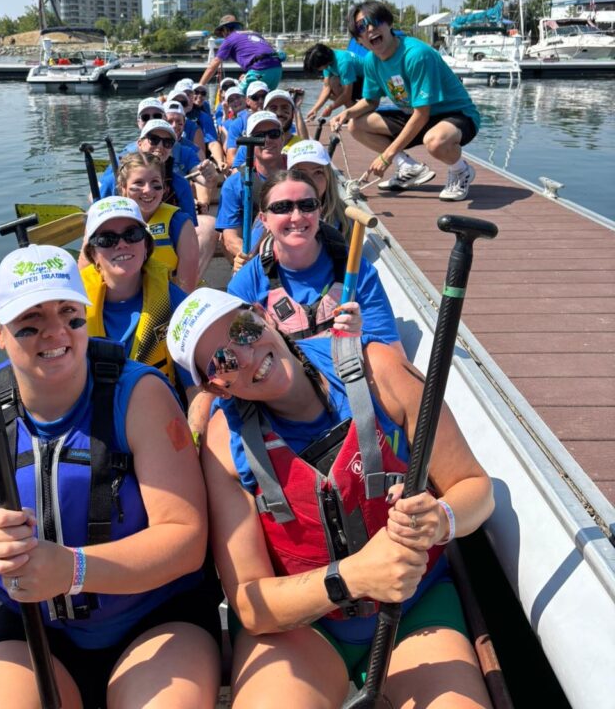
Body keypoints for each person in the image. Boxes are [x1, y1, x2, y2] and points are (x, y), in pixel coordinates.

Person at [0, 245, 221, 709]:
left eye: (70, 315)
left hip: (154, 617)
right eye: (30, 321)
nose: (55, 333)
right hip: (31, 631)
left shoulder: (139, 397)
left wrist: (73, 569)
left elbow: (187, 542)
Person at [167, 290, 494, 709]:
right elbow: (250, 603)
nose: (246, 358)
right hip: (305, 629)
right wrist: (353, 577)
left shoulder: (379, 369)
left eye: (242, 330)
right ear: (218, 388)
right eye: (223, 361)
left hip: (415, 609)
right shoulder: (223, 446)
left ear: (266, 315)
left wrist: (441, 517)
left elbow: (475, 488)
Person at [228, 169, 400, 348]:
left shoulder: (357, 270)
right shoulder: (246, 284)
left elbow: (392, 351)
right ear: (264, 219)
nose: (296, 217)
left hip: (347, 372)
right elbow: (239, 359)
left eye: (307, 205)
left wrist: (361, 335)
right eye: (282, 207)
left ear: (320, 211)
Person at [331, 1, 481, 201]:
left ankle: (461, 170)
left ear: (388, 24)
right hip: (415, 115)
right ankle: (409, 168)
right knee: (356, 125)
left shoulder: (417, 55)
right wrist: (347, 113)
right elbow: (370, 101)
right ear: (360, 41)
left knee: (435, 141)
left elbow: (422, 114)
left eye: (375, 21)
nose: (370, 29)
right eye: (361, 27)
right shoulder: (371, 61)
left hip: (455, 115)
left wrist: (387, 156)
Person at [80, 196, 188, 389]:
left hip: (158, 409)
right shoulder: (73, 307)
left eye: (132, 234)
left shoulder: (172, 298)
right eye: (107, 239)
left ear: (146, 246)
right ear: (93, 254)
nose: (121, 244)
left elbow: (194, 385)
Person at [116, 151, 199, 292]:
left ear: (165, 188)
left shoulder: (181, 224)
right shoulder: (106, 224)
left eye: (155, 183)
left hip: (168, 304)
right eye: (138, 183)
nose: (148, 190)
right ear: (123, 188)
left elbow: (186, 289)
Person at [215, 110, 287, 261]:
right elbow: (230, 237)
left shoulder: (299, 171)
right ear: (248, 143)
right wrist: (248, 257)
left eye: (273, 134)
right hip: (256, 254)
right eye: (259, 136)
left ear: (283, 138)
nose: (267, 140)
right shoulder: (235, 183)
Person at [199, 15, 283, 94]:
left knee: (236, 99)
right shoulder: (255, 34)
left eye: (222, 32)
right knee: (262, 101)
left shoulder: (230, 38)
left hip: (260, 70)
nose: (223, 36)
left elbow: (213, 65)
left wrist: (199, 87)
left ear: (225, 30)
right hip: (277, 69)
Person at [285, 138, 350, 237]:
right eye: (301, 173)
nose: (311, 181)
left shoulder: (344, 217)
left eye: (318, 172)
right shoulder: (274, 211)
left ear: (328, 176)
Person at [303, 42, 365, 121]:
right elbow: (326, 88)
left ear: (323, 62)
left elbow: (347, 95)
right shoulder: (328, 62)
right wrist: (315, 109)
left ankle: (358, 115)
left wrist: (331, 108)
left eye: (316, 68)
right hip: (356, 81)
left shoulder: (343, 62)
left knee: (334, 83)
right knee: (331, 91)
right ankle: (355, 111)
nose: (317, 70)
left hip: (368, 83)